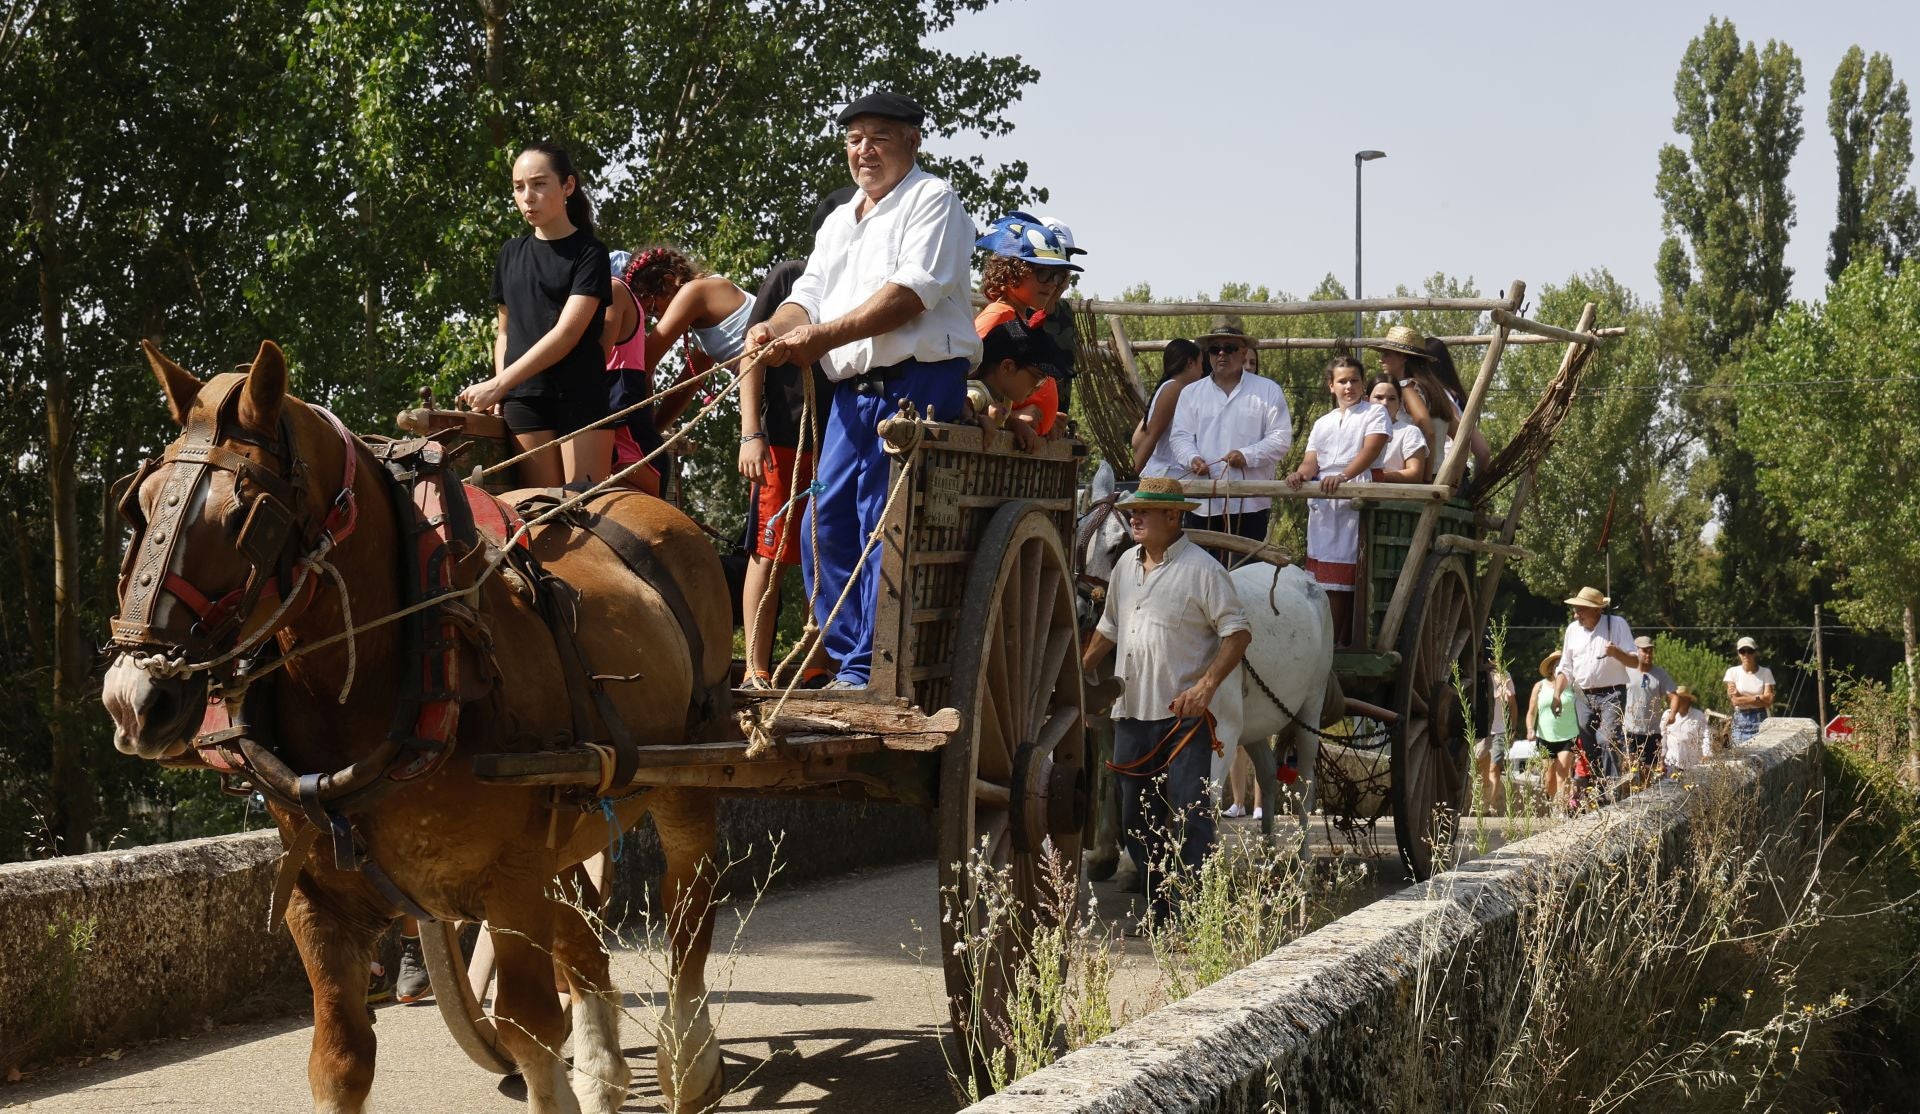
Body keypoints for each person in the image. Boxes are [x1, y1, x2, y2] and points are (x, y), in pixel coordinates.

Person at [748, 90, 980, 691]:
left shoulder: (934, 200)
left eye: (878, 136)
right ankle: (851, 658)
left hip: (918, 383)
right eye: (854, 139)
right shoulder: (838, 220)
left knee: (886, 521)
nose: (864, 149)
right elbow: (809, 298)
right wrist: (774, 327)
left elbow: (906, 298)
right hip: (852, 395)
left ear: (912, 140)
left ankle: (873, 669)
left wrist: (818, 336)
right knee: (820, 525)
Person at [1081, 476, 1251, 924]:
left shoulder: (1204, 570)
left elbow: (1237, 634)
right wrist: (1078, 672)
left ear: (1174, 516)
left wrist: (1206, 687)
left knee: (1192, 817)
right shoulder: (1123, 569)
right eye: (1133, 510)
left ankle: (1192, 915)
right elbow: (1108, 628)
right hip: (1130, 712)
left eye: (1145, 511)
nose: (1134, 516)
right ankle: (1162, 909)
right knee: (1135, 822)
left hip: (1184, 719)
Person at [735, 187, 855, 689]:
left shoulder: (865, 288)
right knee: (771, 551)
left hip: (843, 441)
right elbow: (751, 353)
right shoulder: (791, 278)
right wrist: (751, 433)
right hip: (785, 441)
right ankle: (755, 667)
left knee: (830, 551)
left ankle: (819, 660)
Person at [458, 141, 613, 486]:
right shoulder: (509, 254)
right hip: (524, 400)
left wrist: (498, 384)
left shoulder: (590, 253)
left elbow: (567, 333)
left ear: (568, 186)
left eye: (539, 184)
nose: (528, 196)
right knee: (540, 515)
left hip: (580, 394)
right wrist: (505, 390)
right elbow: (504, 333)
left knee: (585, 510)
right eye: (518, 187)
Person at [1285, 356, 1389, 645]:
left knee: (1346, 579)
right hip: (1325, 497)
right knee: (1322, 581)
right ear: (1331, 386)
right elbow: (1311, 462)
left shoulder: (1374, 414)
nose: (1348, 386)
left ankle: (1338, 644)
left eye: (1354, 380)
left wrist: (1343, 476)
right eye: (1342, 381)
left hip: (1355, 490)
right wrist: (1300, 476)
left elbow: (1369, 451)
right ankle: (1322, 642)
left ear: (1362, 384)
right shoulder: (1323, 423)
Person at [1167, 316, 1292, 540]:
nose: (1221, 354)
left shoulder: (1268, 391)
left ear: (1244, 352)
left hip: (1251, 504)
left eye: (1229, 348)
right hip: (1201, 503)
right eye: (1215, 349)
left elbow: (1281, 439)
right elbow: (1180, 438)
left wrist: (1246, 455)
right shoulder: (1190, 393)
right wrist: (1192, 458)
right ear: (1208, 354)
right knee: (1202, 573)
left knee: (1247, 573)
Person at [973, 213, 1080, 450]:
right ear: (1013, 273)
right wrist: (1012, 421)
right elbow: (968, 383)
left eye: (1056, 275)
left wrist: (1047, 419)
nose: (1052, 283)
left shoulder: (1016, 319)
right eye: (1042, 273)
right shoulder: (998, 317)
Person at [620, 245, 751, 433]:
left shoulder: (694, 292)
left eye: (653, 309)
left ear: (668, 281)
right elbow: (686, 386)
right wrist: (653, 434)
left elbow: (640, 365)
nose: (656, 318)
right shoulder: (706, 330)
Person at [1552, 586, 1645, 785]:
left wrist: (1617, 653)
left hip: (1612, 693)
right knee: (1588, 745)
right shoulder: (1572, 630)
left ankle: (1612, 788)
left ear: (1597, 609)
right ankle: (1597, 786)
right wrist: (1557, 695)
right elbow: (1565, 667)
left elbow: (1634, 662)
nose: (1576, 614)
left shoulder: (1617, 624)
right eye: (1575, 609)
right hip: (1582, 695)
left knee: (1607, 739)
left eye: (1581, 609)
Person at [600, 249, 664, 496]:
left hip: (622, 415)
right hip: (631, 415)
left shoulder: (616, 293)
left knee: (637, 488)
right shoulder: (638, 323)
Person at [966, 319, 1065, 447]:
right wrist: (979, 419)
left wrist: (1013, 423)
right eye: (1038, 378)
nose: (1038, 388)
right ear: (1007, 367)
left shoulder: (1003, 399)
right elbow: (957, 409)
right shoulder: (978, 392)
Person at [1033, 215, 1086, 413]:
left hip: (1055, 429)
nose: (1061, 272)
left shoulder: (1065, 313)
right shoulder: (1016, 312)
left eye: (1066, 260)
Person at [1133, 339, 1205, 478]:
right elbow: (1151, 435)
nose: (1202, 371)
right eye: (1201, 364)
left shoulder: (1170, 388)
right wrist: (1132, 477)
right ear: (1190, 363)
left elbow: (1136, 440)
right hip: (1167, 474)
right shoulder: (1174, 388)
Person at [1527, 650, 1583, 814]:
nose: (1559, 667)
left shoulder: (1572, 687)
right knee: (1549, 778)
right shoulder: (1540, 687)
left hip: (1569, 734)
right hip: (1545, 736)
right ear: (1551, 668)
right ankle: (1552, 802)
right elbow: (1531, 712)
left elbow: (1583, 708)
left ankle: (1561, 810)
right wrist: (1530, 729)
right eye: (1556, 664)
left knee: (1564, 771)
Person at [1623, 635, 1676, 787]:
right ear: (1636, 651)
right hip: (1630, 729)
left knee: (1648, 773)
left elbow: (1674, 695)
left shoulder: (1659, 674)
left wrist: (1672, 713)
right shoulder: (1626, 670)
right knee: (1629, 769)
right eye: (1645, 651)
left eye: (1650, 651)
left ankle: (1644, 801)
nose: (1648, 654)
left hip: (1652, 731)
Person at [1365, 373, 1431, 484]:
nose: (1385, 403)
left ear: (1399, 403)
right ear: (1367, 400)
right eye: (1379, 397)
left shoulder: (1410, 432)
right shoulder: (1356, 428)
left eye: (1391, 399)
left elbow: (1415, 474)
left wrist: (1377, 477)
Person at [1476, 654, 1520, 813]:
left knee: (1495, 767)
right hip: (1483, 729)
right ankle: (1485, 797)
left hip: (1500, 729)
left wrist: (1513, 728)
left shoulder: (1505, 675)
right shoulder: (1480, 676)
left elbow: (1512, 704)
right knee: (1481, 763)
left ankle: (1491, 805)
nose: (1493, 661)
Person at [1723, 636, 1776, 744]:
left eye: (1750, 651)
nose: (1746, 655)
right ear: (1739, 654)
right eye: (1743, 651)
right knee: (1741, 756)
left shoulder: (1766, 672)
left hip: (1761, 719)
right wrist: (1759, 698)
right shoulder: (1732, 672)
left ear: (1755, 653)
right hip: (1740, 720)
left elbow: (1769, 700)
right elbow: (1735, 701)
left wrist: (1741, 697)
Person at [1662, 686, 1709, 771]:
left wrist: (1706, 753)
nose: (1679, 701)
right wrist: (1660, 759)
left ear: (1688, 700)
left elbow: (1706, 735)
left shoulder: (1698, 715)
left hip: (1692, 762)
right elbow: (1662, 736)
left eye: (1682, 699)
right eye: (1677, 699)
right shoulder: (1667, 714)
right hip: (1671, 761)